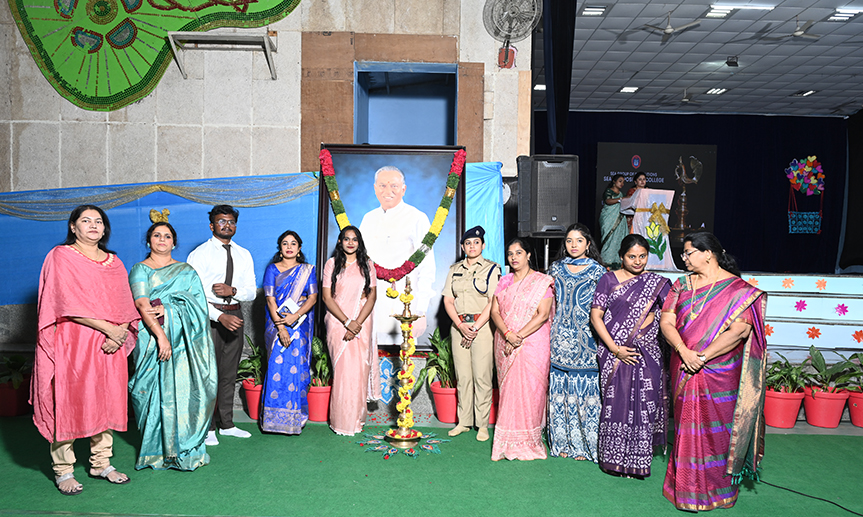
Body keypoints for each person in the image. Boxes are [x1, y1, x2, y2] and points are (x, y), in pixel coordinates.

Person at [32, 205, 140, 495]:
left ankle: (101, 463)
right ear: (73, 227)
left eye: (98, 221)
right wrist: (109, 329)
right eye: (86, 220)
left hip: (109, 345)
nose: (93, 225)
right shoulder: (61, 256)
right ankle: (63, 469)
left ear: (104, 228)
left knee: (106, 398)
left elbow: (124, 304)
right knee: (68, 399)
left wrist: (119, 334)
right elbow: (63, 301)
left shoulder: (114, 262)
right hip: (74, 341)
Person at [660, 232, 767, 511]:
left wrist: (703, 356)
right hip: (684, 365)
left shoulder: (739, 290)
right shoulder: (681, 285)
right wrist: (685, 352)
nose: (684, 258)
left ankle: (719, 491)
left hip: (720, 371)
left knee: (718, 428)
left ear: (708, 253)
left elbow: (739, 331)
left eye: (688, 253)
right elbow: (666, 322)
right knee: (686, 425)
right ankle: (686, 490)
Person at [128, 219, 217, 470]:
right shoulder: (140, 270)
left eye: (167, 236)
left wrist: (169, 310)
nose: (162, 240)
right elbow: (142, 304)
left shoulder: (186, 271)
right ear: (149, 241)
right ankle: (155, 452)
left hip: (184, 342)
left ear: (174, 243)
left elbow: (199, 308)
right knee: (148, 391)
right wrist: (161, 336)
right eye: (157, 235)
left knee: (184, 390)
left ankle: (184, 447)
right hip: (150, 338)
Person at [590, 234, 670, 478]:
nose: (637, 261)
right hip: (615, 353)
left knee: (645, 404)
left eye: (642, 256)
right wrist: (615, 349)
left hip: (647, 353)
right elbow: (596, 317)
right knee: (616, 404)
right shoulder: (608, 279)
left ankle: (638, 462)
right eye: (632, 256)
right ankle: (613, 461)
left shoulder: (657, 283)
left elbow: (672, 316)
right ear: (621, 257)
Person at [186, 205, 256, 446]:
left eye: (231, 222)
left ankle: (227, 424)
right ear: (212, 225)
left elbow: (250, 292)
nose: (227, 225)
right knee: (208, 374)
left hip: (235, 314)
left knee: (229, 373)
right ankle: (207, 428)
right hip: (209, 317)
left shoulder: (244, 254)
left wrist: (232, 291)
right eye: (221, 221)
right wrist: (219, 317)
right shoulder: (199, 254)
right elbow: (193, 294)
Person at [489, 238, 554, 461]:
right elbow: (495, 311)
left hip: (533, 343)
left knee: (531, 391)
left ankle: (529, 441)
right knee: (510, 391)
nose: (514, 257)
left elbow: (542, 315)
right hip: (505, 340)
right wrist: (508, 334)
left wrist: (518, 336)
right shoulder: (504, 281)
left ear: (528, 255)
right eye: (510, 254)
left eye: (518, 253)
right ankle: (507, 442)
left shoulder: (541, 282)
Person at [547, 223, 605, 461]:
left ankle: (584, 445)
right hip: (559, 337)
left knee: (585, 392)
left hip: (586, 339)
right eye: (569, 240)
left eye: (579, 240)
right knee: (559, 392)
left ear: (588, 244)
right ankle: (561, 443)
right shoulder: (555, 268)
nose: (574, 245)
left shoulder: (598, 271)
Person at [359, 165, 435, 343]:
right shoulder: (368, 219)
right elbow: (359, 262)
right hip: (371, 305)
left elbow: (427, 266)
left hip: (404, 305)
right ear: (375, 188)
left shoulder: (418, 218)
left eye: (394, 185)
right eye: (382, 185)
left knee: (404, 356)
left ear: (403, 189)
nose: (388, 191)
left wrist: (420, 312)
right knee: (369, 355)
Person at [442, 226, 500, 442]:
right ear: (462, 247)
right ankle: (464, 422)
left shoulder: (492, 269)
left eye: (476, 243)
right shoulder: (454, 269)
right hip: (459, 327)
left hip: (482, 328)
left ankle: (482, 425)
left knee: (482, 377)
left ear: (483, 245)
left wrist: (475, 327)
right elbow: (448, 300)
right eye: (468, 243)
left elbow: (493, 301)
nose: (472, 246)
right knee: (463, 376)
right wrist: (460, 325)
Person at [321, 226, 381, 435]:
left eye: (354, 239)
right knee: (343, 373)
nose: (350, 243)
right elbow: (327, 297)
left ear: (359, 242)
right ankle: (341, 422)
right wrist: (347, 322)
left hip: (361, 323)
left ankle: (356, 420)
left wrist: (357, 324)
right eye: (346, 239)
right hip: (338, 323)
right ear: (340, 242)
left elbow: (372, 297)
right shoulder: (331, 264)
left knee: (358, 373)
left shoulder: (367, 265)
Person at [260, 230, 318, 434]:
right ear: (280, 248)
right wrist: (281, 327)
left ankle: (296, 418)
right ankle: (274, 420)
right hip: (276, 324)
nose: (289, 247)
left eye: (293, 243)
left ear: (299, 248)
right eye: (285, 243)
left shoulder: (307, 270)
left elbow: (312, 297)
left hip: (300, 324)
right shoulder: (272, 269)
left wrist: (295, 316)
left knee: (298, 369)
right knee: (277, 367)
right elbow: (270, 300)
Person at [599, 174, 627, 269]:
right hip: (609, 218)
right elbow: (608, 201)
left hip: (619, 218)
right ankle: (606, 261)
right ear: (614, 181)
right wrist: (620, 199)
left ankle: (617, 262)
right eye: (620, 181)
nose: (622, 183)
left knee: (619, 239)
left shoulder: (621, 193)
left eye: (623, 182)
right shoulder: (609, 191)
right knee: (609, 239)